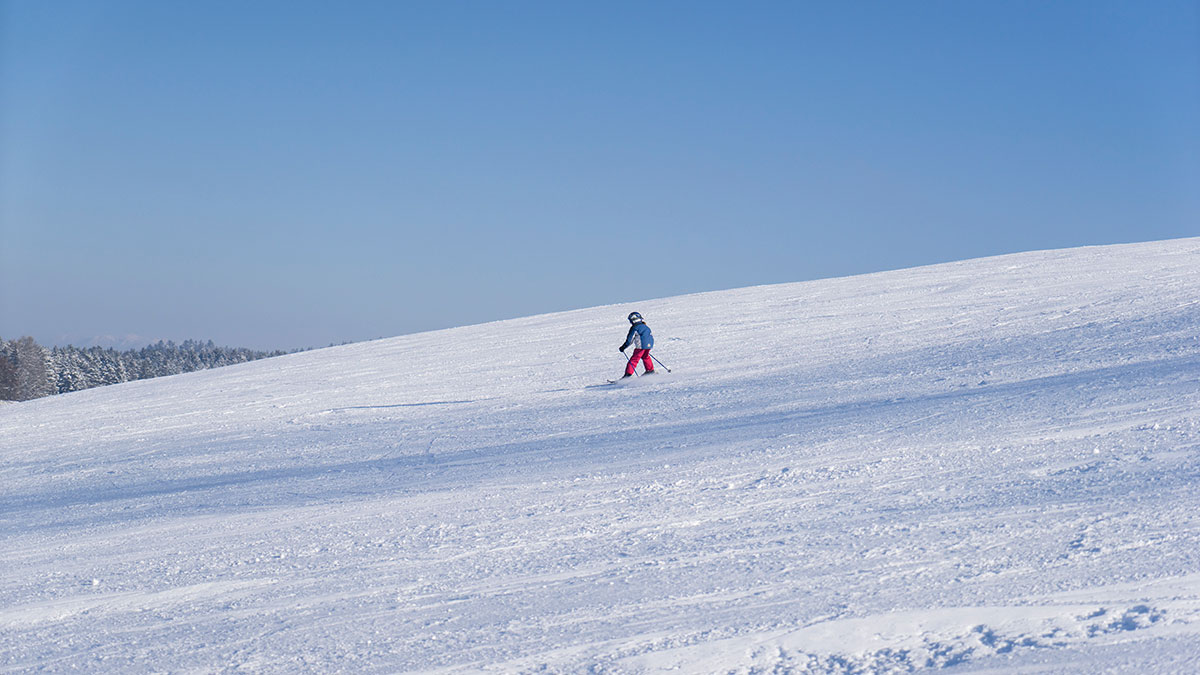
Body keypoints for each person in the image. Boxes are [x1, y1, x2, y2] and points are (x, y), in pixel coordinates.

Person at [618, 311, 655, 378]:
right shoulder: (645, 326)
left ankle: (628, 375)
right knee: (645, 356)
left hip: (640, 347)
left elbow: (630, 340)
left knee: (634, 359)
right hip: (649, 345)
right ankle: (650, 371)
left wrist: (623, 347)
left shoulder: (634, 328)